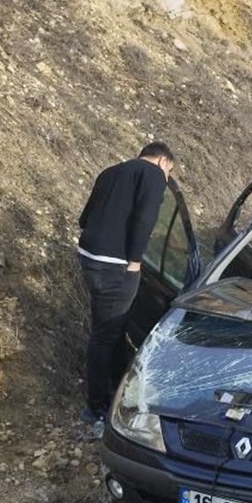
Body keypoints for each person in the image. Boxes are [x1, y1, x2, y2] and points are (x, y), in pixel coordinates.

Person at [77, 142, 175, 423]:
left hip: (88, 258)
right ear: (162, 161)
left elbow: (85, 219)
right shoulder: (154, 175)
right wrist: (134, 261)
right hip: (115, 266)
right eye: (169, 171)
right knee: (105, 335)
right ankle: (96, 407)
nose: (167, 178)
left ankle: (118, 388)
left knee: (111, 328)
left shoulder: (111, 171)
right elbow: (145, 219)